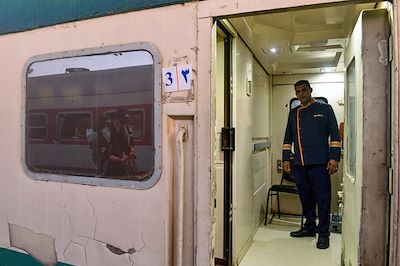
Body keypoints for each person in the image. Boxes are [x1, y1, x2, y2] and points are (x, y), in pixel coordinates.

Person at [282, 80, 341, 249]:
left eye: (304, 90)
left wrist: (334, 158)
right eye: (298, 91)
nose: (301, 94)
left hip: (320, 163)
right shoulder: (294, 113)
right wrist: (286, 158)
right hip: (299, 163)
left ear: (310, 90)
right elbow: (288, 138)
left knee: (323, 200)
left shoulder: (325, 109)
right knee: (305, 199)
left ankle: (323, 234)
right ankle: (309, 227)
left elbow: (335, 135)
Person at [98, 108, 137, 177]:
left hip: (124, 167)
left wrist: (131, 152)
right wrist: (120, 159)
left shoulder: (127, 130)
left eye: (124, 122)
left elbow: (131, 145)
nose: (122, 125)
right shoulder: (106, 132)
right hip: (109, 168)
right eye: (120, 122)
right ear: (115, 118)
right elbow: (105, 154)